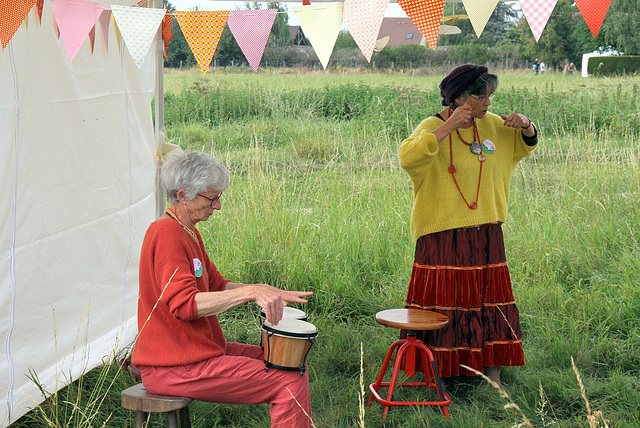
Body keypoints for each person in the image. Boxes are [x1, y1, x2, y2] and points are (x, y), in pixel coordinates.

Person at [131, 151, 314, 427]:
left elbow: (217, 285)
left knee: (288, 362)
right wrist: (250, 293)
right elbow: (185, 305)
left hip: (193, 355)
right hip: (174, 366)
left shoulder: (187, 231)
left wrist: (261, 288)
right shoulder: (166, 234)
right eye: (212, 198)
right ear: (183, 196)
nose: (218, 206)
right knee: (286, 378)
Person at [398, 64, 538, 387]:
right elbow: (408, 157)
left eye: (490, 95)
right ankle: (442, 374)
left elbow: (525, 145)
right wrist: (447, 127)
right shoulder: (432, 124)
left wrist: (527, 125)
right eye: (481, 95)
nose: (488, 102)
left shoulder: (492, 125)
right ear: (460, 98)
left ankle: (494, 378)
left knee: (492, 305)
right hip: (442, 236)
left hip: (486, 234)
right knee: (446, 308)